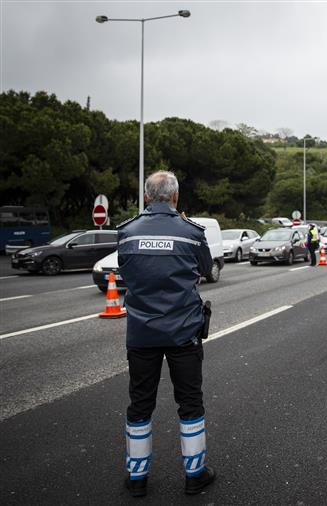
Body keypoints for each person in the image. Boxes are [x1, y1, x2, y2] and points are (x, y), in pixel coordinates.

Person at [117, 170, 216, 497]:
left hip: (142, 334)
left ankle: (137, 478)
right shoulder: (190, 232)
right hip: (183, 334)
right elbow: (205, 268)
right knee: (189, 402)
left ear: (146, 196)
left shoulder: (127, 232)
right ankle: (194, 474)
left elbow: (127, 273)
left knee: (140, 405)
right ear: (175, 197)